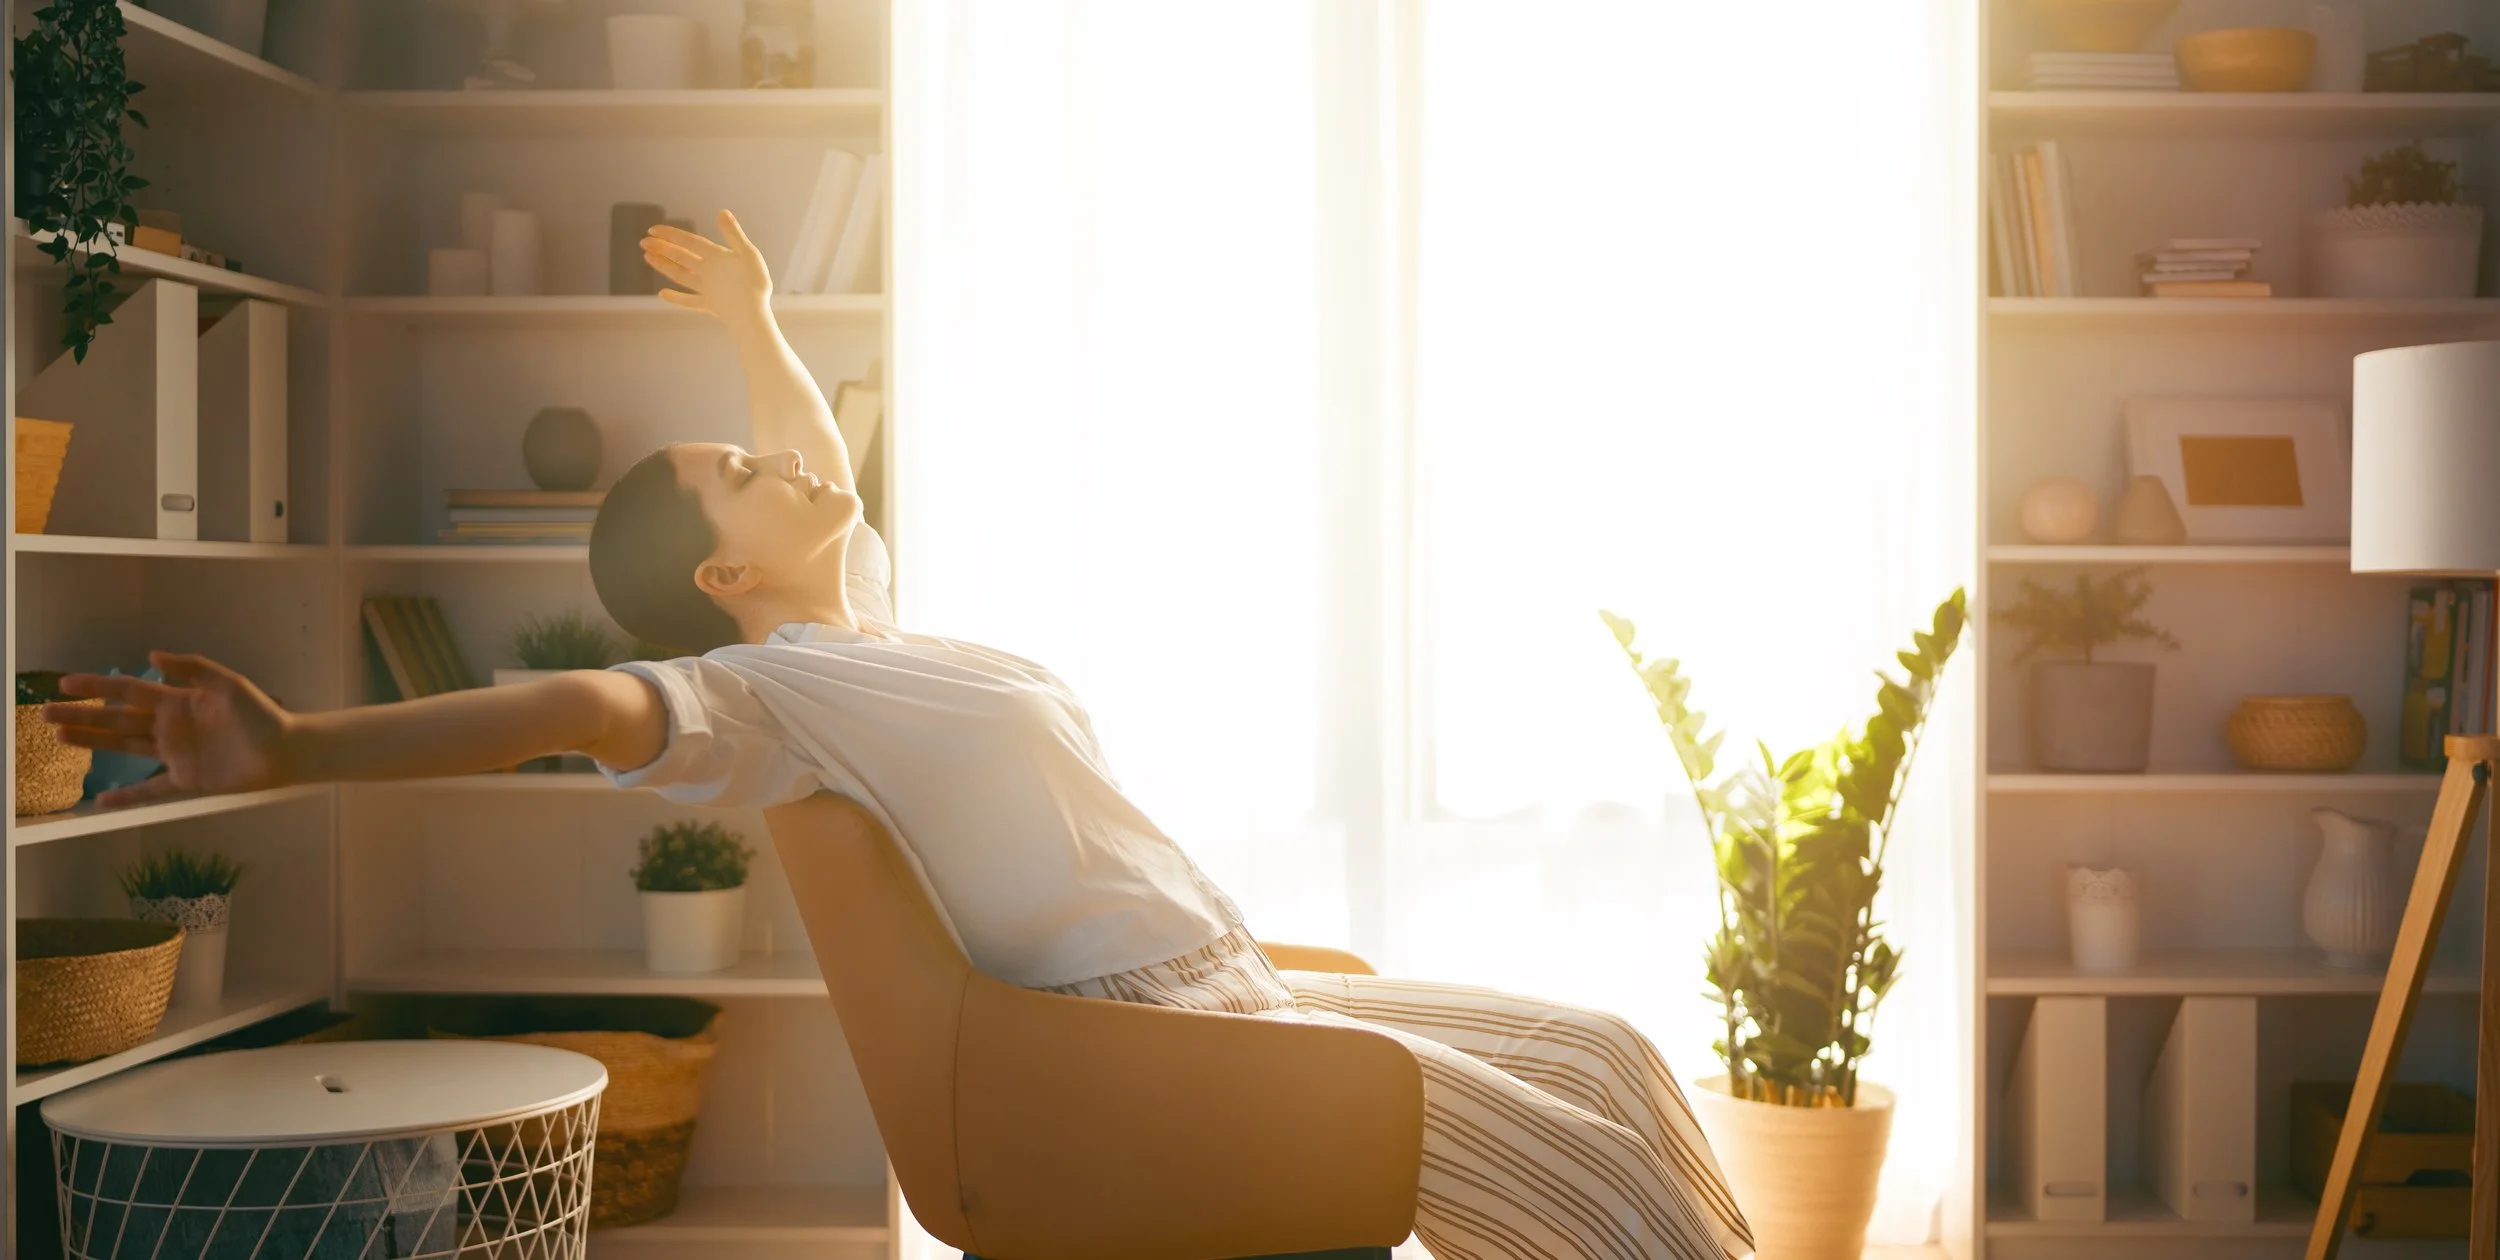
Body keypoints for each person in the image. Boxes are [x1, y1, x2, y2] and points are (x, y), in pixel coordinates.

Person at [46, 211, 1750, 1260]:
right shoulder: (771, 702)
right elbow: (575, 706)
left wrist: (753, 323)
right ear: (720, 575)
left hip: (1248, 984)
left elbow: (819, 456)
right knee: (1586, 1185)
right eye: (739, 470)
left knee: (1602, 1050)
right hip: (1151, 1037)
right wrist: (296, 750)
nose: (788, 459)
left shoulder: (865, 628)